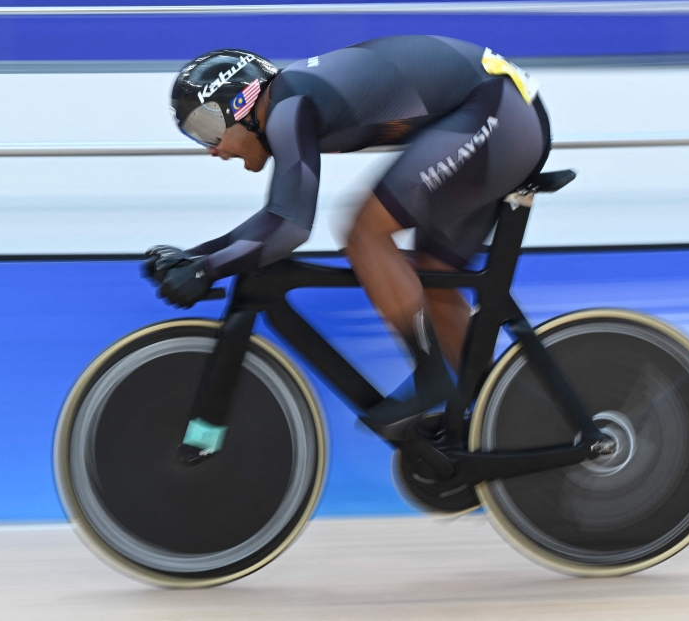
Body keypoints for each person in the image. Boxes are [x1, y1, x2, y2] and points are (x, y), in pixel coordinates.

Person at [144, 35, 551, 456]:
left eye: (209, 129)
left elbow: (289, 228)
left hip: (498, 110)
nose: (212, 149)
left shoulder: (288, 106)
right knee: (432, 275)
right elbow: (275, 219)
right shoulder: (290, 99)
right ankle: (510, 418)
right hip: (501, 110)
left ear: (242, 103)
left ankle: (432, 378)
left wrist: (205, 270)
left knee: (365, 234)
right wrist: (196, 257)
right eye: (197, 136)